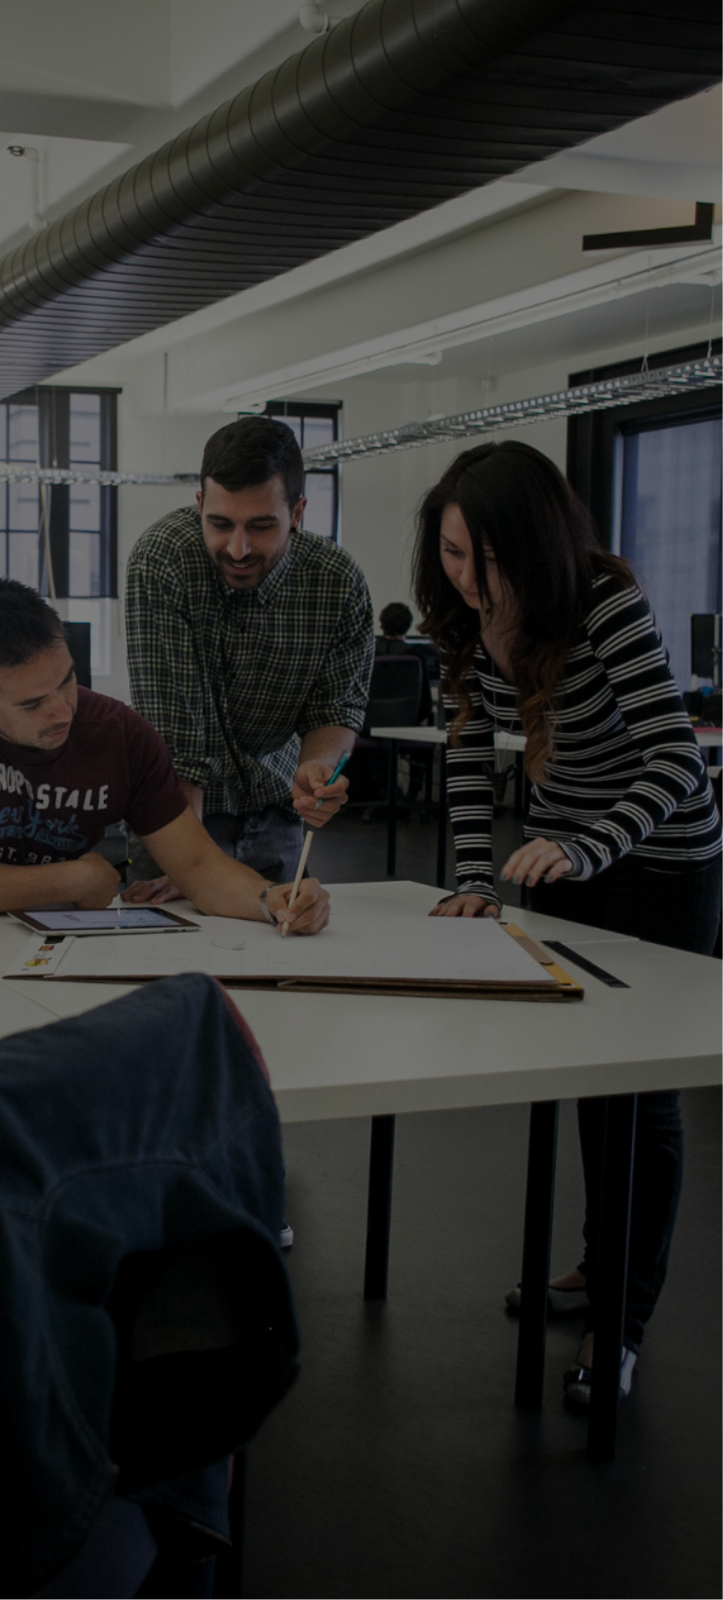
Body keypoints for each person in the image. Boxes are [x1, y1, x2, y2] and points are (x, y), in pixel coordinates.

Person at [413, 439, 721, 1412]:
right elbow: (464, 754)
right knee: (591, 1080)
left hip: (661, 863)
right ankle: (595, 1265)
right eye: (456, 555)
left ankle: (618, 1325)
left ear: (540, 543)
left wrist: (590, 845)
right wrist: (472, 877)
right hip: (563, 863)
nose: (470, 580)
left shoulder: (603, 606)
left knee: (645, 1097)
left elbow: (676, 761)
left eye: (490, 560)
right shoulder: (466, 616)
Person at [0, 576, 329, 932]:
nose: (62, 711)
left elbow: (199, 867)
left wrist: (272, 900)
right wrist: (74, 879)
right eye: (31, 703)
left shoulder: (119, 733)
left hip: (66, 941)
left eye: (67, 680)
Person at [123, 416, 373, 898]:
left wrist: (318, 769)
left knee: (272, 957)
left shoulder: (337, 582)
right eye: (219, 524)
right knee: (171, 962)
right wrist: (190, 867)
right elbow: (176, 743)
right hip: (177, 815)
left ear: (297, 512)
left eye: (261, 527)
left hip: (275, 810)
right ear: (199, 504)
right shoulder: (164, 560)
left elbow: (336, 708)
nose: (237, 548)